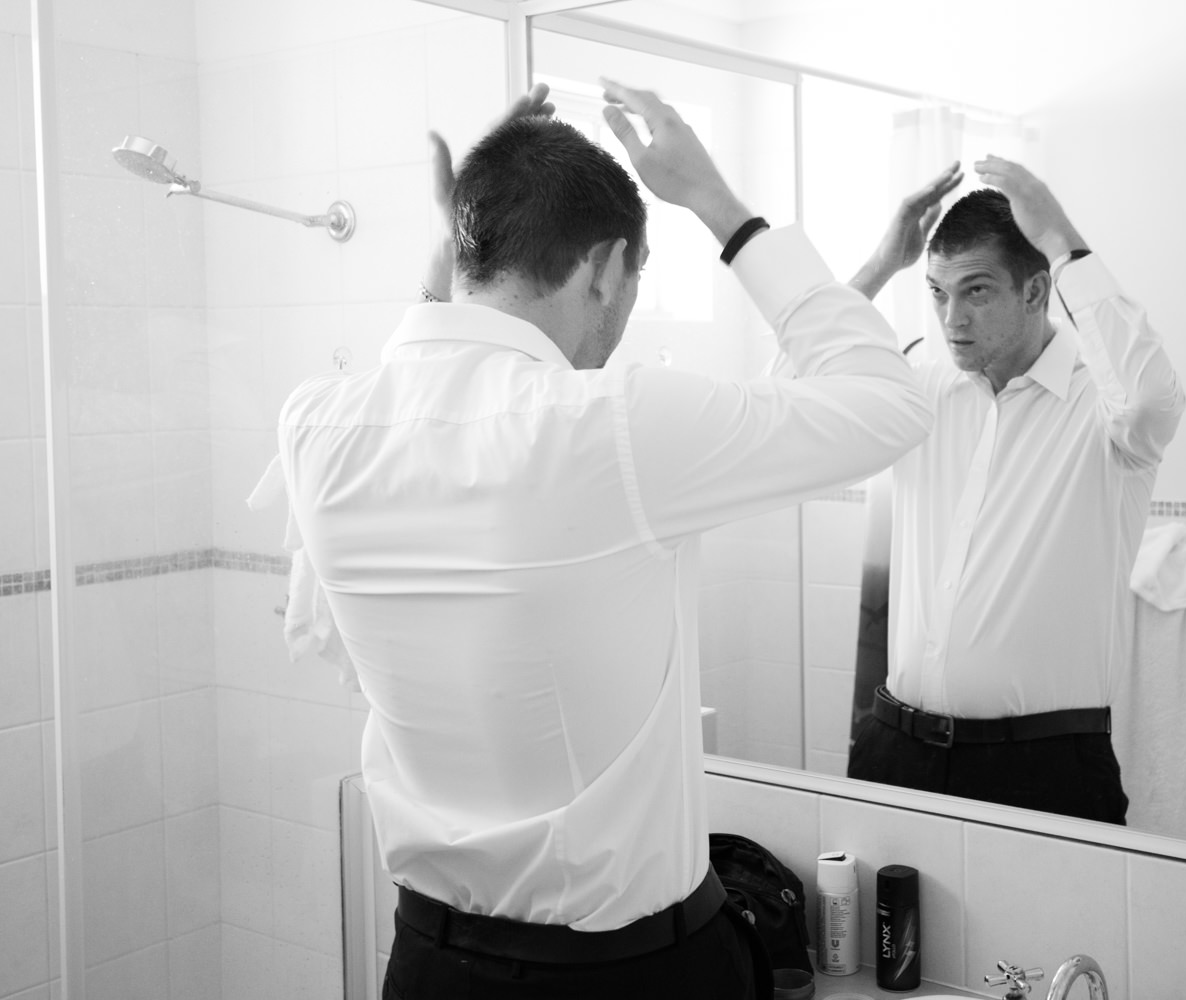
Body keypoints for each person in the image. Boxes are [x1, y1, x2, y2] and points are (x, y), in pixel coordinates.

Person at [275, 80, 932, 999]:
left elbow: (417, 366)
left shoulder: (317, 428)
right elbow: (891, 401)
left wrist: (461, 228)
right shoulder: (610, 425)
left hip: (427, 969)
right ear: (607, 268)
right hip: (625, 974)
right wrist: (719, 203)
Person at [844, 156, 1186, 825]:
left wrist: (1062, 240)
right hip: (894, 755)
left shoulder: (1104, 409)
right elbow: (789, 394)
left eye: (976, 291)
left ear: (1035, 292)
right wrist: (884, 262)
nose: (952, 318)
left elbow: (1152, 397)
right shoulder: (916, 388)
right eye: (939, 293)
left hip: (1044, 772)